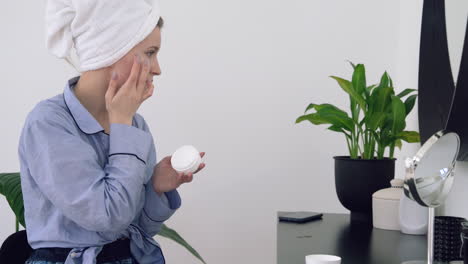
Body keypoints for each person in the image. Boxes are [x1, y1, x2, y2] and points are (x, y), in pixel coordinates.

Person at [18, 0, 206, 263]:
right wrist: (122, 122)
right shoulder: (48, 123)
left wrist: (156, 188)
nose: (158, 68)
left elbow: (138, 229)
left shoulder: (134, 124)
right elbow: (108, 218)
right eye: (150, 52)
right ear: (110, 50)